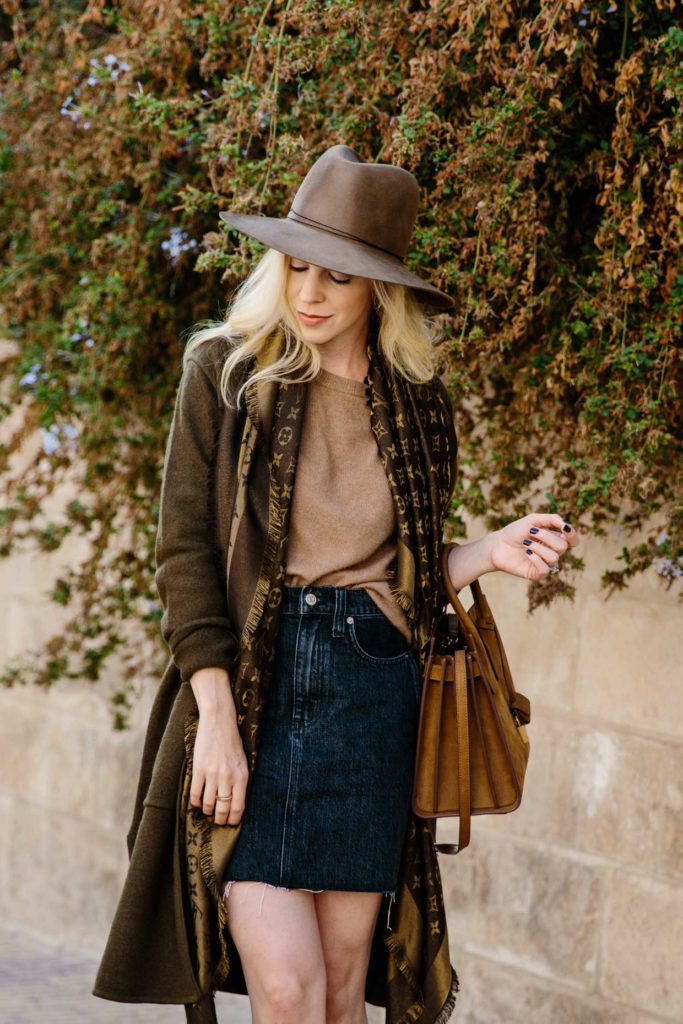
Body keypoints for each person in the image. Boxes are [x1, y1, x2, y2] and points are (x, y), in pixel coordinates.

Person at [92, 144, 579, 1024]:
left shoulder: (417, 405)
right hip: (253, 688)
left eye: (337, 279)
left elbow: (404, 572)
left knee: (345, 984)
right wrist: (216, 722)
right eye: (298, 267)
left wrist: (487, 553)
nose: (309, 294)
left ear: (379, 292)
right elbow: (184, 558)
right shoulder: (226, 374)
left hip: (372, 689)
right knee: (288, 989)